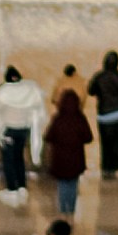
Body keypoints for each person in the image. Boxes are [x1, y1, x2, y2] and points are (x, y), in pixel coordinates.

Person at [0, 64, 45, 205]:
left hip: (9, 130)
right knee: (19, 158)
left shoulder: (3, 92)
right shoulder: (28, 90)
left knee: (8, 160)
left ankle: (12, 189)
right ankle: (22, 186)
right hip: (23, 130)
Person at [44, 78, 91, 218]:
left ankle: (63, 210)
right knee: (73, 185)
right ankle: (71, 211)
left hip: (60, 159)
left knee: (62, 185)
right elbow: (88, 137)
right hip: (76, 159)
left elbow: (48, 137)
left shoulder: (58, 119)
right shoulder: (80, 118)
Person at [89, 50, 118, 176]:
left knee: (106, 143)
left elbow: (91, 90)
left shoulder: (99, 77)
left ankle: (107, 167)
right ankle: (117, 166)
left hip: (103, 115)